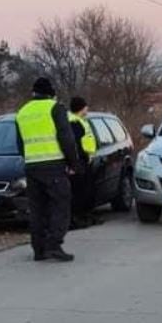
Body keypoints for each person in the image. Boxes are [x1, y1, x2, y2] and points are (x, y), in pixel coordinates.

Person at [15, 77, 79, 262]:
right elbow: (66, 138)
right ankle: (54, 244)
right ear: (51, 93)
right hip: (54, 166)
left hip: (32, 167)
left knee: (37, 209)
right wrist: (73, 163)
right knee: (60, 206)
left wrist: (31, 159)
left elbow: (20, 144)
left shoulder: (22, 112)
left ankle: (39, 249)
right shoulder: (55, 108)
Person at [68, 96, 102, 230]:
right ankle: (78, 219)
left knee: (86, 190)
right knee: (79, 192)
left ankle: (85, 217)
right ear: (81, 108)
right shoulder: (73, 122)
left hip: (85, 160)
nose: (87, 108)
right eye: (85, 106)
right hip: (79, 161)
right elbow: (75, 144)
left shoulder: (80, 120)